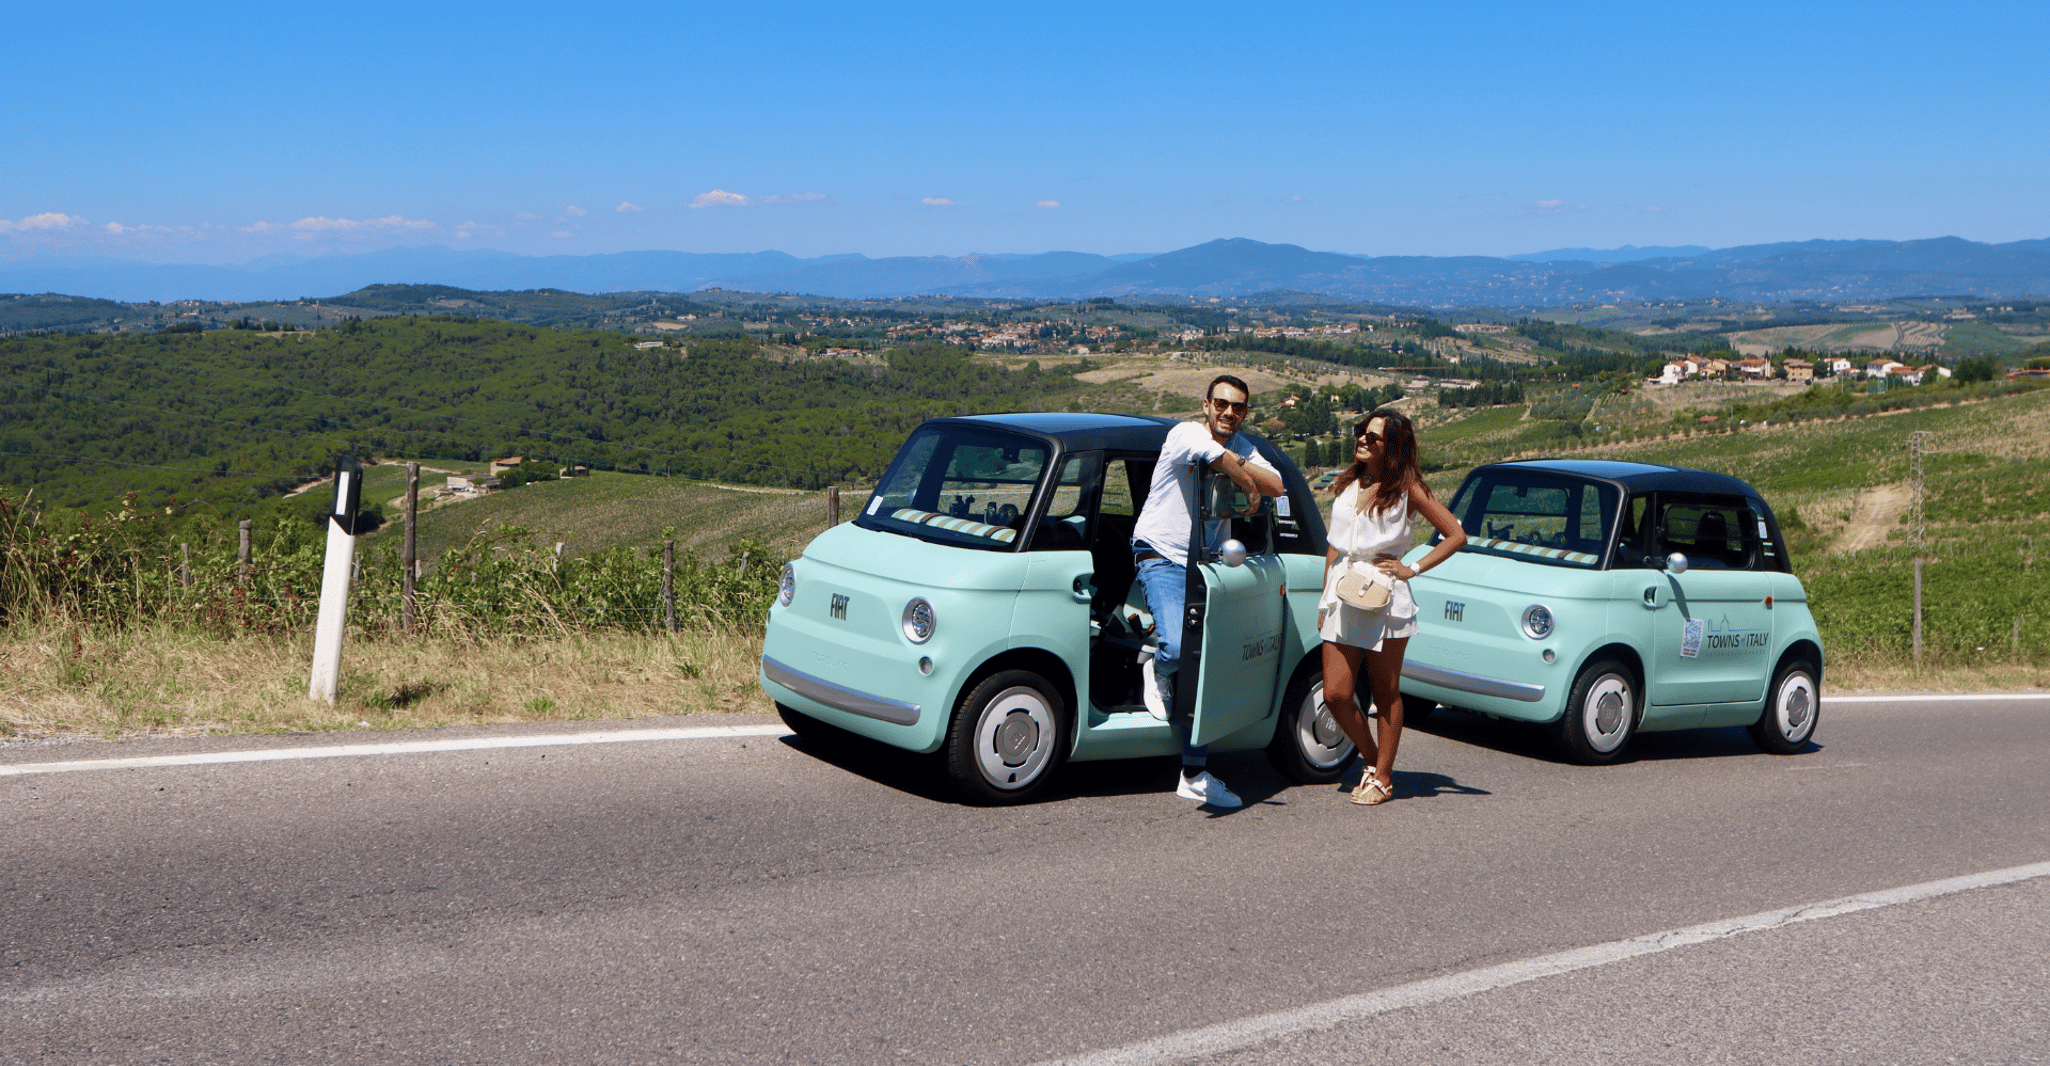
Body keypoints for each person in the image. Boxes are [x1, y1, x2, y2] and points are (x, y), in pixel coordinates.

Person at [1131, 374, 1286, 809]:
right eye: (1221, 403)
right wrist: (1248, 483)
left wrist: (1252, 477)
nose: (1228, 413)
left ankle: (1195, 771)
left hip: (1206, 565)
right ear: (1205, 404)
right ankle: (1156, 667)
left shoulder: (1242, 446)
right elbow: (1223, 464)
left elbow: (1279, 484)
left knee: (1207, 669)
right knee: (1180, 651)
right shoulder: (1185, 434)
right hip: (1162, 554)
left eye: (1237, 407)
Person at [1316, 409, 1467, 805]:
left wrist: (1411, 567)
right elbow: (1334, 544)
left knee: (1386, 691)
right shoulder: (1348, 482)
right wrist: (1323, 597)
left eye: (1374, 437)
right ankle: (1372, 758)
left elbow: (1455, 535)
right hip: (1342, 592)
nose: (1363, 440)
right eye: (1362, 433)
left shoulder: (1409, 487)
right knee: (1335, 693)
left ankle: (1382, 777)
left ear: (1394, 446)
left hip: (1385, 597)